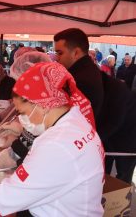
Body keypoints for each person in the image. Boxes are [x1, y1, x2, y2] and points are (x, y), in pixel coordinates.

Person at [0, 63, 104, 217]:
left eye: (22, 112)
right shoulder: (76, 122)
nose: (21, 119)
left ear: (43, 105)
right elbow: (46, 180)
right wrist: (6, 178)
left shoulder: (56, 144)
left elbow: (5, 199)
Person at [55, 28, 136, 184]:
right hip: (111, 129)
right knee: (101, 174)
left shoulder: (83, 78)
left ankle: (116, 204)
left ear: (76, 52)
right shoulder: (82, 71)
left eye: (60, 53)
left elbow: (84, 121)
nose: (57, 58)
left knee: (122, 178)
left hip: (127, 134)